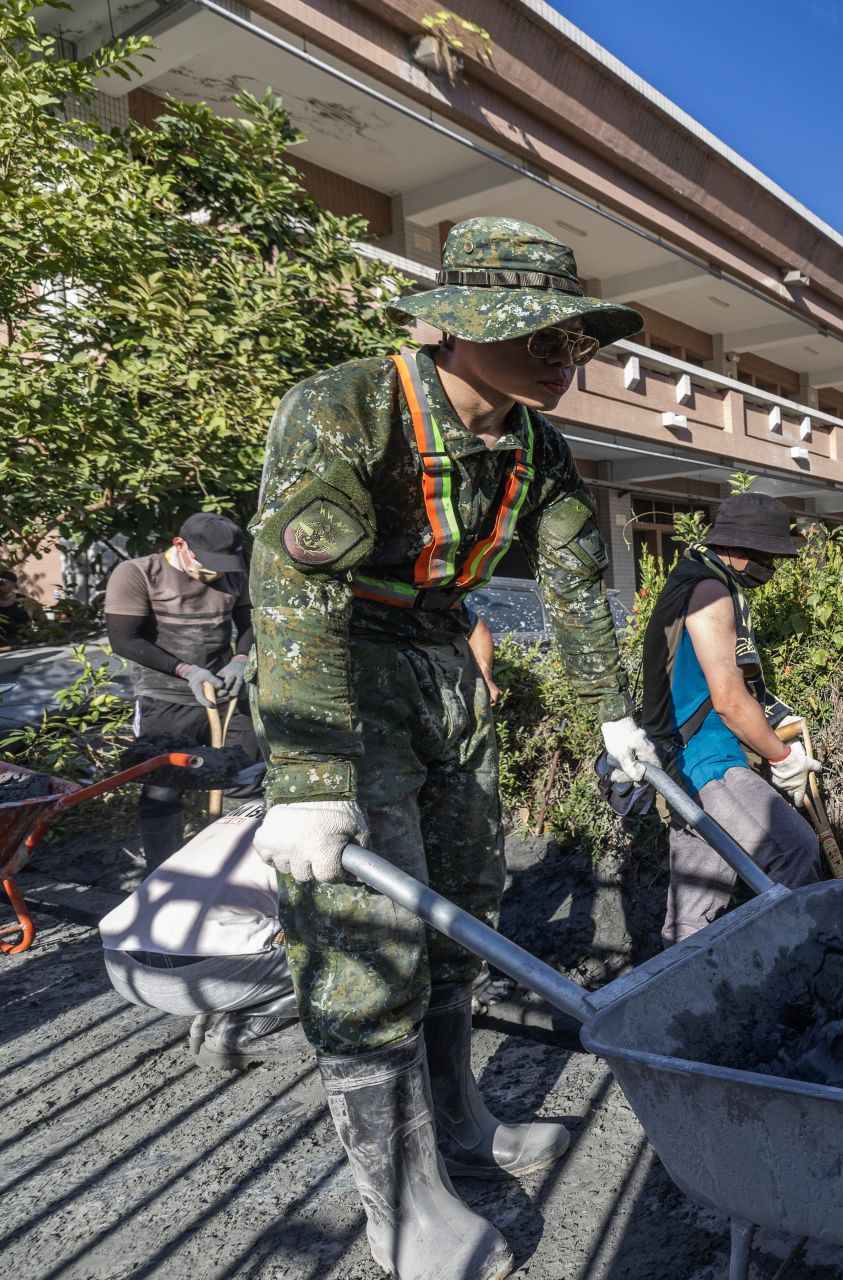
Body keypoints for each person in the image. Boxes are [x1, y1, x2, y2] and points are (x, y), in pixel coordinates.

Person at [248, 218, 662, 1280]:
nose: (564, 356)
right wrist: (307, 774)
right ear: (457, 327)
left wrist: (611, 712)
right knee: (366, 934)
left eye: (575, 338)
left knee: (463, 900)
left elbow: (574, 584)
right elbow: (294, 594)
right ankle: (403, 1204)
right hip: (346, 670)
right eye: (539, 333)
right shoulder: (350, 405)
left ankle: (460, 1122)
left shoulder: (537, 447)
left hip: (444, 664)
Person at [637, 492, 821, 944]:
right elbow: (729, 700)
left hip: (679, 764)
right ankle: (799, 967)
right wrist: (784, 759)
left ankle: (679, 985)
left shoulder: (687, 580)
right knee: (796, 851)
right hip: (708, 761)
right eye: (765, 556)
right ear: (737, 548)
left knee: (692, 913)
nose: (770, 567)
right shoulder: (711, 592)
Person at [103, 513, 262, 866]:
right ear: (180, 545)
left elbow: (251, 624)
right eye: (208, 565)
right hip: (166, 697)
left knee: (247, 776)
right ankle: (164, 875)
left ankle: (235, 869)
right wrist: (186, 670)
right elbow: (124, 639)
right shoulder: (138, 573)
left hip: (226, 694)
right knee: (163, 786)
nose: (216, 574)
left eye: (223, 566)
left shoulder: (235, 572)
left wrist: (240, 659)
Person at [98, 802, 305, 1070]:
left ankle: (233, 1007)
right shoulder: (334, 815)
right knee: (346, 935)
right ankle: (246, 1028)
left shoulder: (250, 809)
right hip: (210, 974)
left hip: (122, 963)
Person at [0, 567, 43, 648]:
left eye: (1, 582)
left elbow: (45, 625)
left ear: (13, 584)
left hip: (25, 647)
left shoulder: (28, 602)